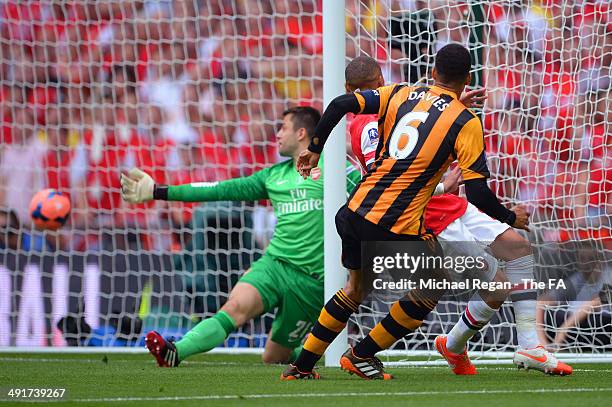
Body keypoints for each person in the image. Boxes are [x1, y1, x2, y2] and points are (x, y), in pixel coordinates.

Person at [281, 43, 530, 380]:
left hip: (353, 211)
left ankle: (301, 367)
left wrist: (314, 149)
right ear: (469, 79)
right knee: (431, 286)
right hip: (389, 223)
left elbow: (341, 104)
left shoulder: (400, 94)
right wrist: (510, 218)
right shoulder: (465, 121)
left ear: (432, 73)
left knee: (355, 289)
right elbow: (479, 194)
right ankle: (362, 353)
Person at [345, 56, 572, 376]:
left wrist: (450, 109)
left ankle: (524, 346)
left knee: (519, 249)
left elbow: (421, 129)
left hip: (452, 205)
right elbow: (388, 178)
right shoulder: (367, 124)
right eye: (378, 84)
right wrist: (440, 186)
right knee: (494, 287)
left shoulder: (407, 103)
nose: (383, 87)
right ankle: (447, 346)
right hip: (426, 213)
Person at [120, 106, 361, 366]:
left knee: (273, 357)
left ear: (301, 133)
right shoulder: (273, 176)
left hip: (311, 283)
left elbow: (371, 197)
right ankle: (175, 351)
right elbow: (218, 190)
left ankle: (324, 353)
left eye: (283, 128)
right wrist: (158, 191)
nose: (277, 134)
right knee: (233, 309)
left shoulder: (336, 170)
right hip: (274, 265)